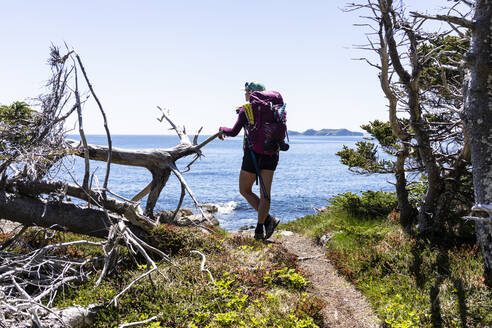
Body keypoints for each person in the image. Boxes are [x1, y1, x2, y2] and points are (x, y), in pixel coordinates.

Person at [218, 81, 281, 240]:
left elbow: (232, 132)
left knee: (244, 190)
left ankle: (268, 220)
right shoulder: (274, 109)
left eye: (246, 91)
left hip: (252, 155)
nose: (245, 94)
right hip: (271, 154)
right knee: (265, 194)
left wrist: (221, 129)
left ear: (252, 92)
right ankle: (260, 229)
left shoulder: (247, 110)